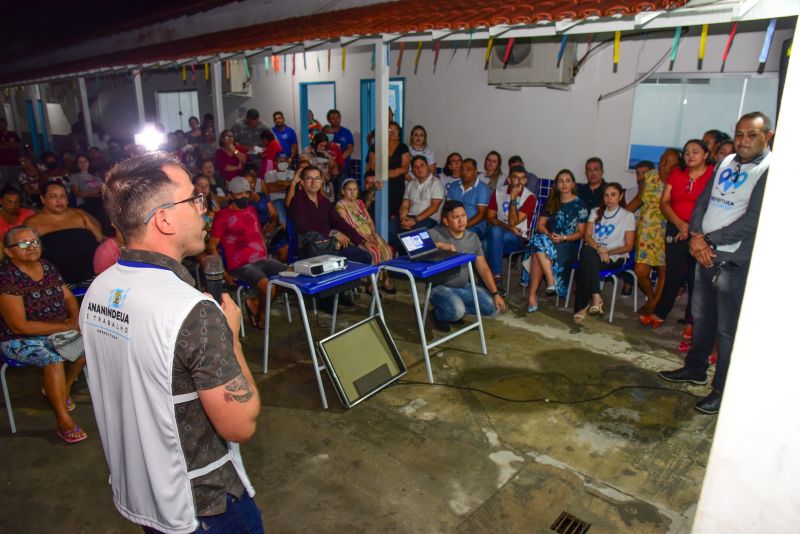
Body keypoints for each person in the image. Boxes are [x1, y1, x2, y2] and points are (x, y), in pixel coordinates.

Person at [81, 152, 263, 532]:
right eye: (194, 199)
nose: (204, 209)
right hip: (203, 503)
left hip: (144, 492)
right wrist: (231, 339)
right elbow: (240, 423)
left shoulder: (100, 289)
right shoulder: (191, 311)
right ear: (163, 218)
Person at [659, 112, 773, 415]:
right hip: (704, 253)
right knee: (701, 318)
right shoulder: (726, 162)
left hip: (731, 260)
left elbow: (754, 220)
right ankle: (695, 368)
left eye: (751, 134)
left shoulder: (769, 170)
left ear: (768, 136)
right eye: (739, 134)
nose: (744, 140)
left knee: (725, 330)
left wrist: (707, 241)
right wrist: (697, 235)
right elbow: (703, 202)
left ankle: (722, 390)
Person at [0, 225, 87, 443]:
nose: (31, 247)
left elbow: (67, 297)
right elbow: (20, 326)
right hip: (19, 339)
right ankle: (63, 420)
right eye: (23, 244)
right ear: (8, 251)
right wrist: (66, 327)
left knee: (92, 344)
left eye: (35, 242)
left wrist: (75, 319)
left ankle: (62, 391)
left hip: (58, 328)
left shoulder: (47, 266)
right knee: (53, 358)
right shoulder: (7, 279)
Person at [640, 139, 715, 329]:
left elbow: (713, 206)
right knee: (673, 273)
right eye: (687, 152)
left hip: (701, 232)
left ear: (706, 155)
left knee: (695, 277)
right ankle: (661, 312)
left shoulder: (713, 174)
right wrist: (680, 223)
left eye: (696, 152)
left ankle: (691, 321)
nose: (690, 155)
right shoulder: (677, 173)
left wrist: (691, 229)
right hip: (675, 227)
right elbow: (664, 202)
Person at [209, 176, 286, 329]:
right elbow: (212, 247)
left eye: (246, 193)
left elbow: (258, 235)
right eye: (240, 194)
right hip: (240, 264)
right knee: (268, 286)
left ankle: (255, 303)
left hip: (261, 259)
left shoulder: (251, 210)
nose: (244, 197)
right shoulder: (222, 216)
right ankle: (260, 316)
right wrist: (224, 274)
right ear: (230, 195)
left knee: (290, 276)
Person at [428, 200, 506, 331]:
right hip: (440, 287)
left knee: (494, 309)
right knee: (456, 310)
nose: (461, 220)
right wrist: (440, 246)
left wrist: (495, 293)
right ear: (446, 221)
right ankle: (439, 313)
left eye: (463, 215)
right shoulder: (436, 233)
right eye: (456, 217)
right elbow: (415, 247)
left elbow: (483, 267)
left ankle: (455, 311)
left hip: (464, 287)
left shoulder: (472, 237)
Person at [524, 170, 588, 313]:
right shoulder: (551, 201)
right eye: (560, 181)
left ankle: (533, 294)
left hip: (567, 245)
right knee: (539, 244)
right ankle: (546, 284)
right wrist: (549, 234)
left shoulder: (580, 205)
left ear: (573, 184)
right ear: (556, 185)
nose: (564, 184)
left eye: (567, 180)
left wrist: (563, 238)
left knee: (537, 247)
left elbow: (581, 233)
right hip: (548, 240)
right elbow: (540, 225)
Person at [626, 149, 681, 315]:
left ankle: (655, 304)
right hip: (646, 232)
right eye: (663, 160)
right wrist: (616, 216)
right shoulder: (649, 177)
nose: (664, 166)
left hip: (667, 233)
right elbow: (637, 200)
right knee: (640, 271)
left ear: (677, 165)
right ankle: (651, 297)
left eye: (670, 163)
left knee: (664, 272)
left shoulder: (679, 181)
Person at [572, 183, 636, 323]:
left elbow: (628, 246)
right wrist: (600, 249)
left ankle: (582, 307)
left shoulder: (627, 216)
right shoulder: (595, 211)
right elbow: (588, 236)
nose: (609, 198)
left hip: (616, 257)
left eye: (613, 195)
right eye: (606, 195)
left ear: (621, 196)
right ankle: (596, 297)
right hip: (595, 253)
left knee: (584, 266)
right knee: (588, 253)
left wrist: (608, 252)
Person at [287, 165, 372, 266]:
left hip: (330, 246)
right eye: (309, 178)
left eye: (317, 178)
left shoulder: (324, 201)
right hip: (310, 249)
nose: (314, 182)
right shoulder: (297, 201)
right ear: (302, 182)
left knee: (364, 256)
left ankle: (348, 281)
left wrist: (362, 241)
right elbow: (305, 227)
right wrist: (333, 233)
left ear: (322, 180)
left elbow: (340, 222)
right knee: (337, 263)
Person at [27, 181, 102, 287]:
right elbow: (25, 251)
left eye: (63, 196)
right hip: (58, 282)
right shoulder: (32, 224)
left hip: (92, 276)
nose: (59, 200)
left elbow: (99, 239)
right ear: (43, 199)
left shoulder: (81, 215)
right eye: (53, 196)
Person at [335, 178, 395, 292]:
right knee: (374, 252)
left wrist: (373, 234)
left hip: (369, 233)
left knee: (387, 250)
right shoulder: (340, 205)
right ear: (343, 191)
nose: (352, 192)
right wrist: (365, 237)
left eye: (355, 189)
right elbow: (348, 227)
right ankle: (371, 283)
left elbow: (369, 221)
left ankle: (385, 279)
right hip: (355, 236)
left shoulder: (359, 203)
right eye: (349, 190)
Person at [485, 165, 537, 293]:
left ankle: (490, 280)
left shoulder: (530, 198)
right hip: (500, 234)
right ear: (509, 180)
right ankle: (495, 280)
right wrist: (507, 227)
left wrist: (513, 198)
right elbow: (490, 218)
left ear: (526, 180)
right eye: (515, 178)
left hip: (519, 238)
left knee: (490, 238)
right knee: (486, 241)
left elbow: (514, 221)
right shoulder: (498, 192)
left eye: (522, 178)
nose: (519, 182)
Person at [366, 121, 411, 223]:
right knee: (376, 212)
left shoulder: (403, 147)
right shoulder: (376, 146)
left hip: (396, 186)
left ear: (399, 133)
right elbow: (372, 165)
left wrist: (388, 173)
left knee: (393, 216)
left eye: (395, 130)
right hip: (378, 184)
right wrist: (388, 173)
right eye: (389, 130)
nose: (392, 132)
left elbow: (405, 168)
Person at [396, 155, 445, 238]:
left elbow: (434, 208)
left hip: (428, 219)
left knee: (414, 233)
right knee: (390, 228)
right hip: (410, 217)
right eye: (415, 167)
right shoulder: (411, 184)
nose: (419, 168)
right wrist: (403, 219)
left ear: (428, 167)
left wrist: (414, 220)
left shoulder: (436, 183)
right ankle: (401, 251)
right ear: (413, 170)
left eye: (422, 165)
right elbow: (405, 205)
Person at [445, 158, 491, 239]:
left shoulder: (483, 188)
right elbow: (447, 209)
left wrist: (461, 226)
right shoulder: (454, 186)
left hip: (474, 226)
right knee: (434, 233)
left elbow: (481, 215)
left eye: (468, 170)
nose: (464, 172)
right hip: (453, 224)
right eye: (462, 169)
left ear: (476, 171)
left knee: (463, 237)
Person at [0, 186, 35, 257]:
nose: (13, 205)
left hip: (29, 251)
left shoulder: (28, 214)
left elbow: (34, 238)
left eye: (17, 202)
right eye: (10, 201)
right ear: (1, 201)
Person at [327, 109, 354, 177]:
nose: (336, 120)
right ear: (329, 120)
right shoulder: (325, 132)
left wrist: (339, 159)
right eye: (333, 118)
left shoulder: (346, 132)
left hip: (344, 165)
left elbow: (350, 149)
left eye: (338, 117)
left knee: (342, 185)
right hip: (329, 165)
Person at [0, 118, 22, 189]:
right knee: (5, 180)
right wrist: (11, 145)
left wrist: (6, 144)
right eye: (1, 125)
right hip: (3, 162)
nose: (2, 126)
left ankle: (17, 194)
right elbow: (1, 146)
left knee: (15, 180)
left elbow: (18, 145)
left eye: (3, 124)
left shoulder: (13, 134)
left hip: (15, 161)